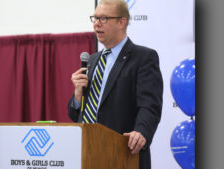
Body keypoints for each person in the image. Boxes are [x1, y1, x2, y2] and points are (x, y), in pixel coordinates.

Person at [67, 0, 163, 168]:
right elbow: (77, 115)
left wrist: (141, 132)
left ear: (121, 22)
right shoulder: (92, 60)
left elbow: (150, 106)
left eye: (103, 18)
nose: (96, 24)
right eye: (95, 18)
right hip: (88, 154)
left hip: (124, 154)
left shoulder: (143, 58)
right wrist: (77, 95)